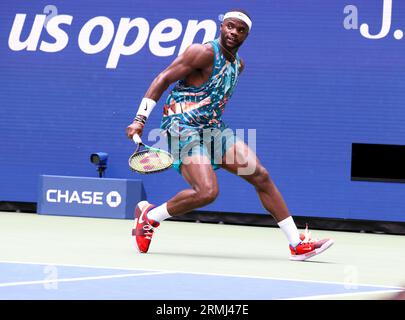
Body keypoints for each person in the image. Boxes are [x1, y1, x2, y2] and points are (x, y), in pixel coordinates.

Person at [126, 9, 334, 261]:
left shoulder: (239, 65)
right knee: (207, 192)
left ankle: (296, 244)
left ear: (247, 35)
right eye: (229, 26)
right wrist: (140, 119)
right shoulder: (201, 52)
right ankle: (149, 218)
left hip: (212, 128)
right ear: (221, 26)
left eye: (240, 29)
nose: (233, 32)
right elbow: (163, 78)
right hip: (181, 126)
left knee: (260, 175)